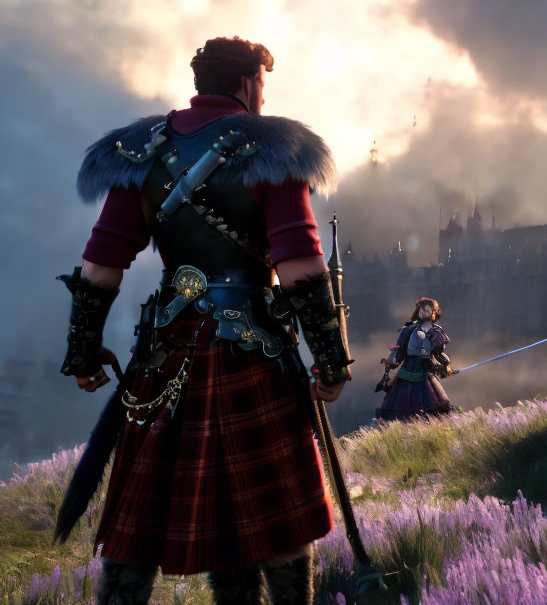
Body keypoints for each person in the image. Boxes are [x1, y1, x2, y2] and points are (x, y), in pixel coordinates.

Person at [56, 36, 351, 605]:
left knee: (140, 513)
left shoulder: (141, 150)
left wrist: (84, 354)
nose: (262, 95)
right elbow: (301, 268)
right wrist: (331, 360)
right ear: (247, 84)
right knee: (275, 513)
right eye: (260, 84)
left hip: (167, 349)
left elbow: (100, 265)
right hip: (253, 353)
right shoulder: (277, 148)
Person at [375, 297, 453, 420]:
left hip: (425, 370)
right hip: (407, 371)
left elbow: (439, 353)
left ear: (434, 313)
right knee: (403, 409)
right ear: (418, 311)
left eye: (428, 310)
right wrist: (392, 361)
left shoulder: (436, 332)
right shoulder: (408, 330)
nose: (424, 312)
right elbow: (399, 351)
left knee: (430, 408)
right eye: (422, 309)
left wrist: (445, 365)